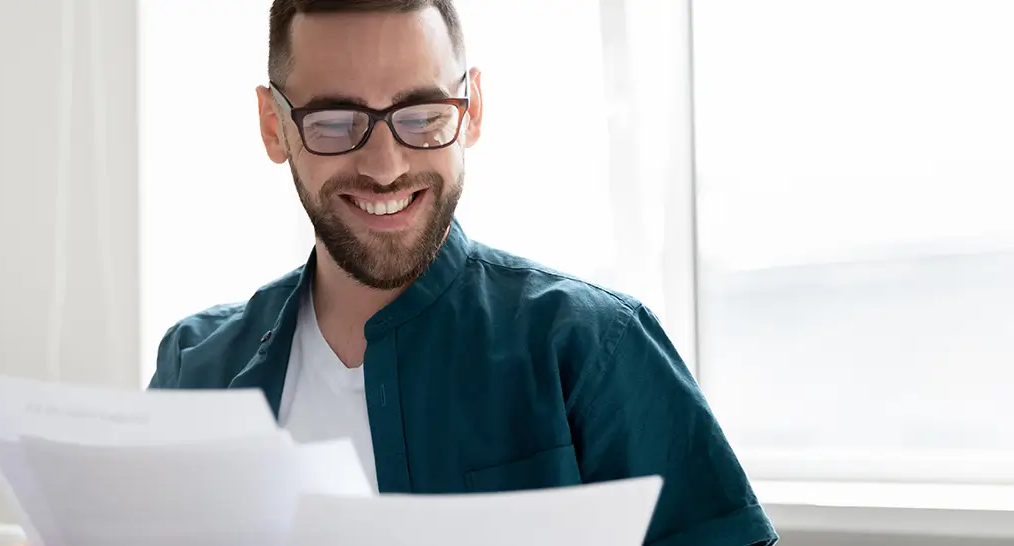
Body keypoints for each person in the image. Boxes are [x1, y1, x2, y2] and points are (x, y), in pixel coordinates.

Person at [147, 1, 778, 544]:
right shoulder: (195, 366)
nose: (386, 166)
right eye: (335, 124)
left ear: (471, 111)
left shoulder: (592, 348)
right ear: (273, 126)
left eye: (422, 115)